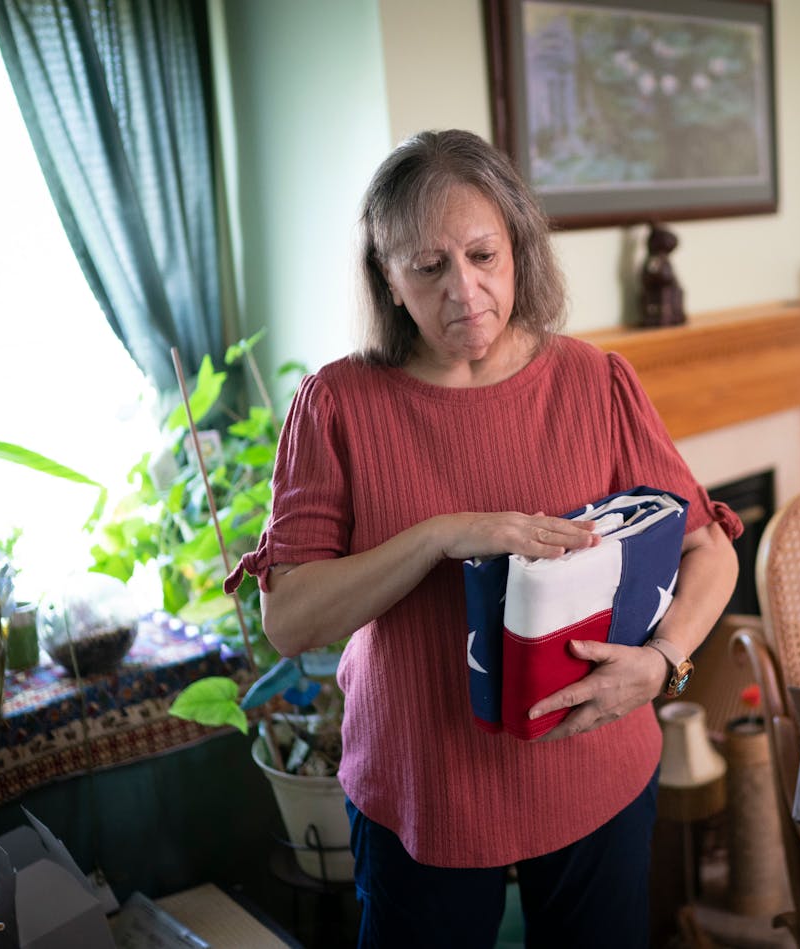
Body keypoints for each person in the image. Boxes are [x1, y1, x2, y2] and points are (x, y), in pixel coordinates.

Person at [226, 129, 741, 948]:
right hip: (422, 792)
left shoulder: (594, 380)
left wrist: (663, 660)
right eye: (428, 267)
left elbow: (709, 546)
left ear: (518, 250)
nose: (464, 290)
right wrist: (440, 535)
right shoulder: (337, 405)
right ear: (387, 278)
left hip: (595, 766)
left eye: (482, 255)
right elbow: (290, 620)